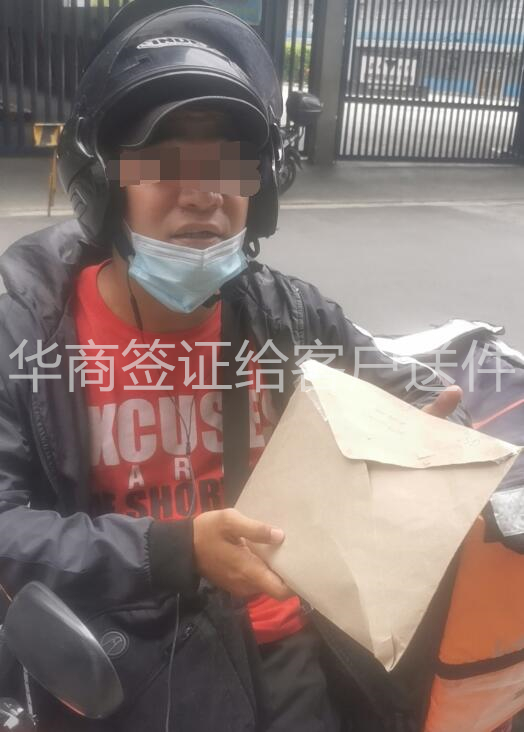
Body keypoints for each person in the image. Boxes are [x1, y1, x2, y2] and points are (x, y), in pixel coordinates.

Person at [0, 4, 464, 731]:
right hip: (122, 657)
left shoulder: (290, 318)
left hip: (286, 644)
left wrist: (419, 449)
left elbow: (424, 401)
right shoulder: (28, 335)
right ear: (106, 183)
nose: (203, 194)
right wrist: (172, 551)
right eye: (165, 163)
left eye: (230, 165)